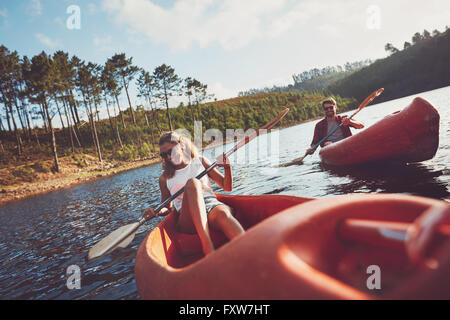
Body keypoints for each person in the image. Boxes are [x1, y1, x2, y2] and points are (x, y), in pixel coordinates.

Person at [143, 131, 245, 256]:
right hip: (187, 216)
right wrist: (156, 211)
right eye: (164, 155)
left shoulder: (200, 162)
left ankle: (250, 250)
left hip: (210, 205)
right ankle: (208, 247)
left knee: (224, 214)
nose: (168, 157)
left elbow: (227, 186)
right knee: (192, 184)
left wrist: (227, 167)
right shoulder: (164, 178)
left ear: (181, 146)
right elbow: (167, 208)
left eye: (171, 151)